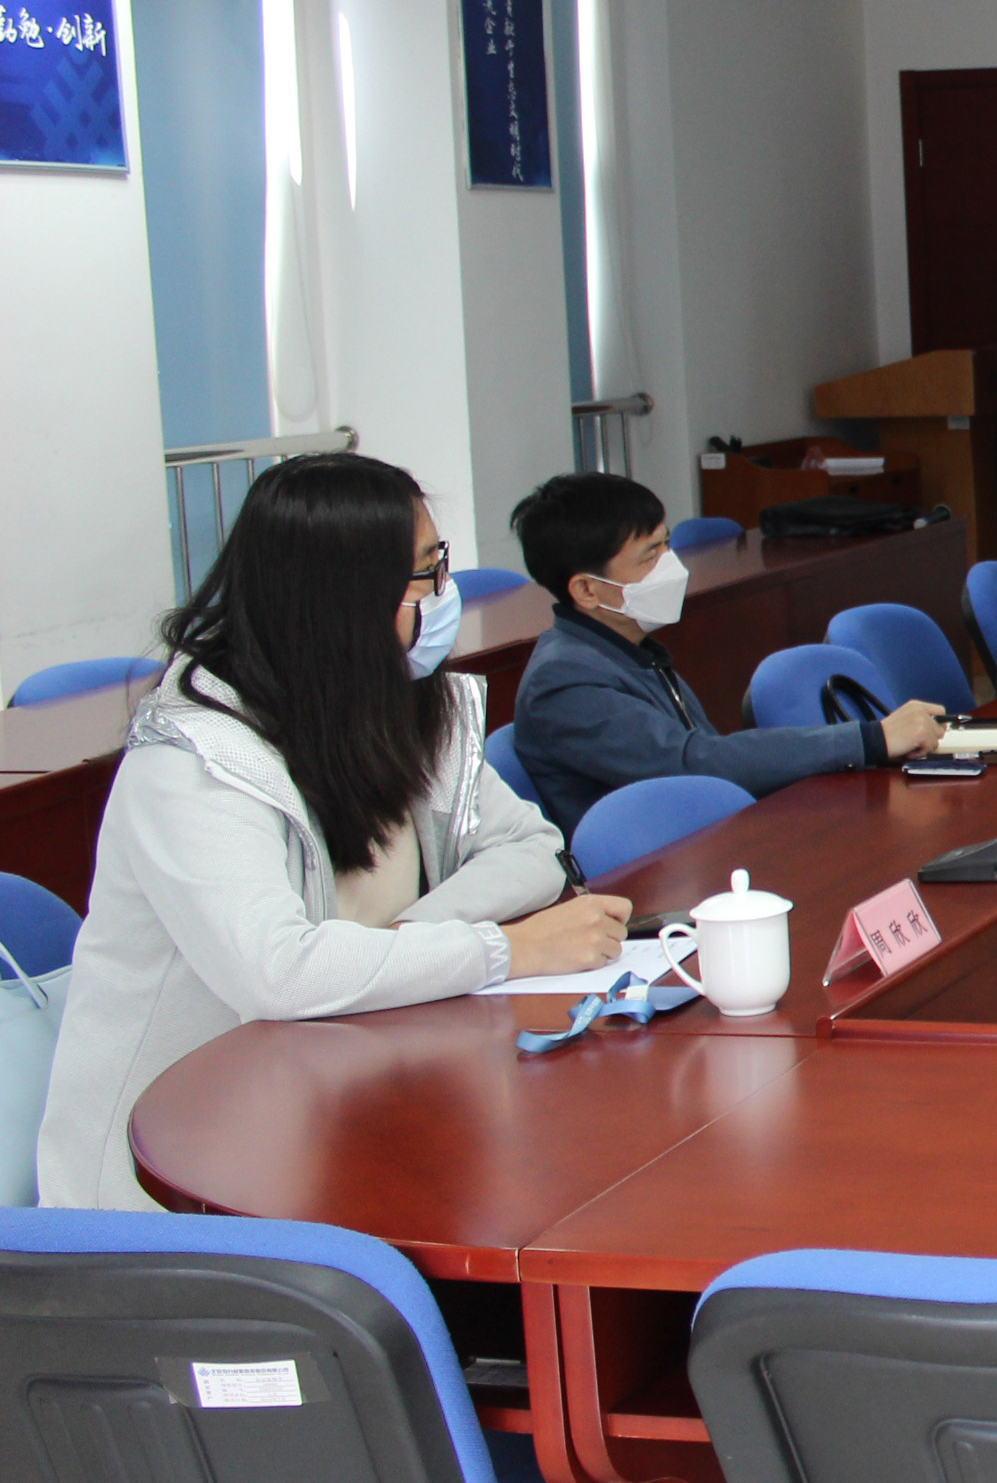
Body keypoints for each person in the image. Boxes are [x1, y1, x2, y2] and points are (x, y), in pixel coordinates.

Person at [37, 454, 629, 1210]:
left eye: (438, 564)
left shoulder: (400, 704)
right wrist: (504, 949)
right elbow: (278, 974)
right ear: (342, 597)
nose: (441, 595)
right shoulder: (192, 760)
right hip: (174, 1175)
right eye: (423, 574)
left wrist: (404, 943)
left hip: (347, 1092)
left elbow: (532, 848)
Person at [507, 473, 949, 831]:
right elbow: (693, 762)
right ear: (586, 590)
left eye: (667, 543)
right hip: (651, 873)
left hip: (702, 839)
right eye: (650, 554)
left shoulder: (626, 648)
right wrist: (869, 739)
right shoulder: (564, 681)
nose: (670, 564)